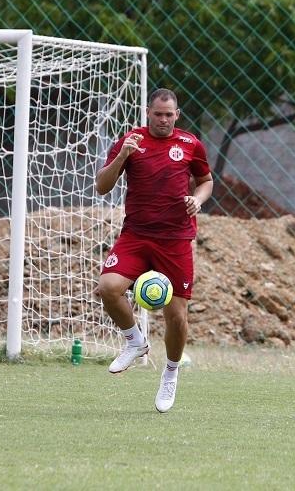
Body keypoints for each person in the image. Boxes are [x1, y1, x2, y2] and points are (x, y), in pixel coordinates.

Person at [94, 88, 213, 413]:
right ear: (149, 112)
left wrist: (197, 200)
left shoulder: (190, 144)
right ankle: (135, 341)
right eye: (157, 114)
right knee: (108, 287)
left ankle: (171, 373)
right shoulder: (132, 140)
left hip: (175, 240)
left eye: (169, 114)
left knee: (176, 317)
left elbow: (206, 181)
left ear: (177, 114)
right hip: (136, 235)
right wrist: (122, 157)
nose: (163, 119)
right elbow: (102, 186)